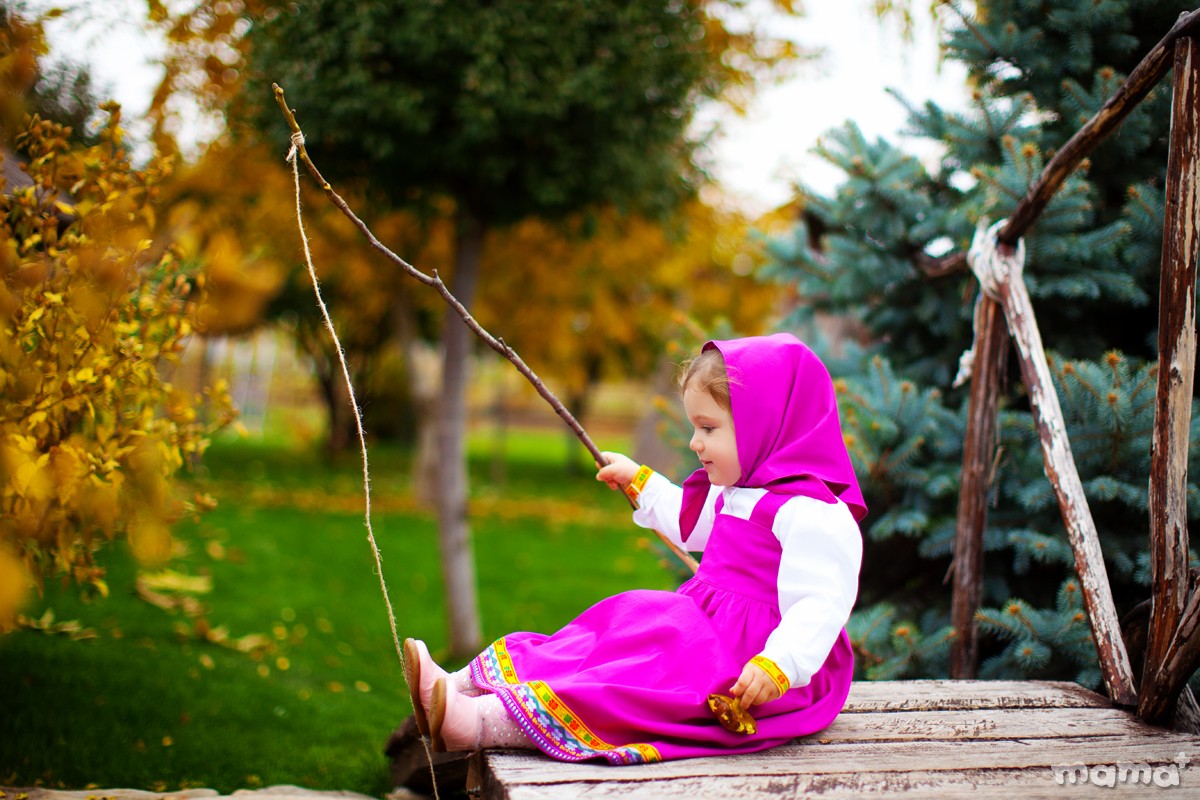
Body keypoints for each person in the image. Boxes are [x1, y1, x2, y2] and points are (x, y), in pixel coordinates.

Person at [404, 332, 866, 763]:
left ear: (767, 423)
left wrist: (778, 665)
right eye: (694, 427)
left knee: (639, 685)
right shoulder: (740, 492)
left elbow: (820, 605)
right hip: (705, 626)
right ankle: (459, 685)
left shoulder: (813, 515)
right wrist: (640, 482)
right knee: (615, 628)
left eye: (708, 428)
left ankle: (484, 723)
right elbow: (691, 526)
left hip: (755, 665)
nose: (694, 442)